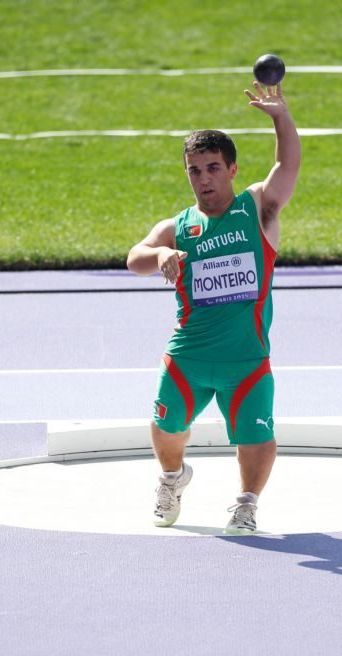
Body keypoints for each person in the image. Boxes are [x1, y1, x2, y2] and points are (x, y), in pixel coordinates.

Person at [126, 80, 301, 534]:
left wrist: (281, 117)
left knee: (255, 437)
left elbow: (286, 165)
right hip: (189, 354)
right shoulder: (178, 226)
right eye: (194, 170)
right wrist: (161, 256)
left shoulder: (258, 209)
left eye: (212, 168)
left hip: (246, 360)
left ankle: (246, 504)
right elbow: (134, 258)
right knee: (165, 425)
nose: (203, 179)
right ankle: (172, 478)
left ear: (232, 169)